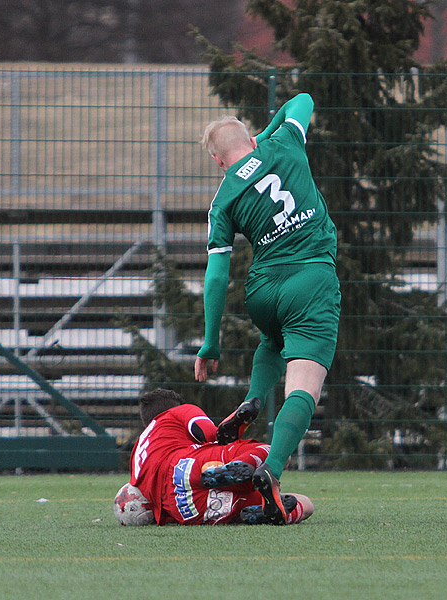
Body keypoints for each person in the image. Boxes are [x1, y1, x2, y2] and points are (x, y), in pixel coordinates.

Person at [194, 93, 340, 525]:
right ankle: (271, 472)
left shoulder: (222, 201)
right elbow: (304, 98)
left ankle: (253, 399)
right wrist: (269, 131)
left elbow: (217, 277)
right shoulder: (284, 143)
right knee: (305, 386)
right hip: (310, 278)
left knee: (273, 339)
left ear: (220, 162)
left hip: (263, 290)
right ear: (252, 141)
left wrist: (209, 342)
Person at [116, 388, 313, 526]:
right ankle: (246, 467)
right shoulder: (177, 412)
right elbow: (210, 434)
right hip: (186, 465)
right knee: (276, 453)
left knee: (299, 502)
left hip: (182, 509)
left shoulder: (138, 454)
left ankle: (255, 501)